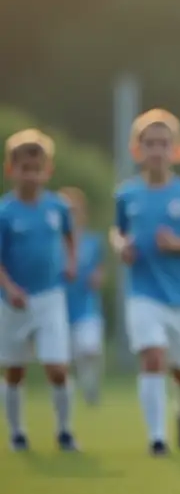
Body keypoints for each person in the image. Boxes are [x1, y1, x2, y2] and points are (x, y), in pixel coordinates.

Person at [112, 110, 180, 456]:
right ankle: (157, 438)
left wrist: (177, 244)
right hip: (142, 294)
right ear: (137, 149)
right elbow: (118, 231)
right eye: (150, 143)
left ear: (178, 150)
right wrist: (120, 246)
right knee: (152, 356)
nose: (157, 150)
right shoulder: (126, 195)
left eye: (163, 143)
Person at [0, 130, 78, 451]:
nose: (31, 175)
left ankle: (65, 430)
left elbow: (70, 236)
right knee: (14, 370)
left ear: (48, 170)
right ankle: (17, 432)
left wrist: (71, 262)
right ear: (11, 169)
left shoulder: (58, 207)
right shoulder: (5, 212)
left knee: (57, 367)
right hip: (13, 302)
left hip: (50, 296)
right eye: (25, 169)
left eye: (37, 169)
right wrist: (9, 288)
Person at [60, 187, 107, 406]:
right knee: (63, 361)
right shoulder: (52, 242)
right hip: (60, 309)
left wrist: (98, 277)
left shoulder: (93, 241)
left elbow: (100, 267)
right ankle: (67, 399)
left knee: (90, 349)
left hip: (87, 307)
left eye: (74, 210)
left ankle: (90, 384)